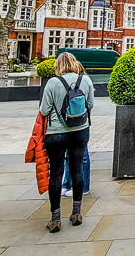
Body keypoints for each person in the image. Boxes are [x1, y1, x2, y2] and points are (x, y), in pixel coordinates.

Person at [39, 52, 94, 233]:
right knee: (76, 168)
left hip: (56, 132)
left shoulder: (53, 83)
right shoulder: (85, 80)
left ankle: (55, 218)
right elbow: (90, 104)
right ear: (74, 63)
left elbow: (44, 109)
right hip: (79, 130)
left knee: (56, 172)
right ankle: (76, 213)